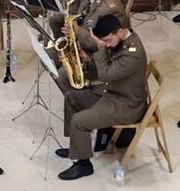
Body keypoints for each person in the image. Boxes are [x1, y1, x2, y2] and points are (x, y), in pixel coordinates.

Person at [54, 15, 147, 180]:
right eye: (104, 41)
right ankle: (77, 147)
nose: (107, 44)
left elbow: (105, 75)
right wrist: (90, 58)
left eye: (108, 40)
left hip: (125, 105)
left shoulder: (133, 53)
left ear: (120, 31)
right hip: (113, 93)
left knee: (79, 121)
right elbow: (111, 63)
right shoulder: (122, 39)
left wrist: (100, 48)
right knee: (71, 97)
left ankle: (84, 165)